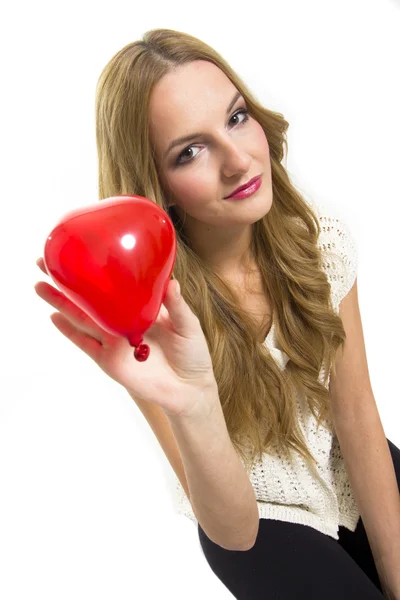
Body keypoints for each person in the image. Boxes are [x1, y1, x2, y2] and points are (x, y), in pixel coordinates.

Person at [34, 28, 400, 599]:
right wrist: (196, 401)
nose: (237, 160)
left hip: (345, 465)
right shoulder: (150, 318)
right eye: (190, 151)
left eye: (234, 118)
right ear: (157, 186)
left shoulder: (322, 246)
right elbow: (235, 528)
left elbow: (357, 418)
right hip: (258, 518)